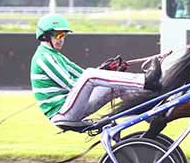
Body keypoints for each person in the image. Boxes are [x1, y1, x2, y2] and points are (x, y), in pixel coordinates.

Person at [30, 14, 162, 130]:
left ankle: (152, 114)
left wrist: (106, 72)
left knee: (115, 87)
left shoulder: (56, 56)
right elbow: (72, 85)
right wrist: (101, 76)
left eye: (64, 35)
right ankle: (146, 81)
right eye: (58, 35)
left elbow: (81, 75)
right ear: (45, 36)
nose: (61, 39)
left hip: (71, 107)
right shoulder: (43, 57)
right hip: (63, 113)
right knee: (91, 75)